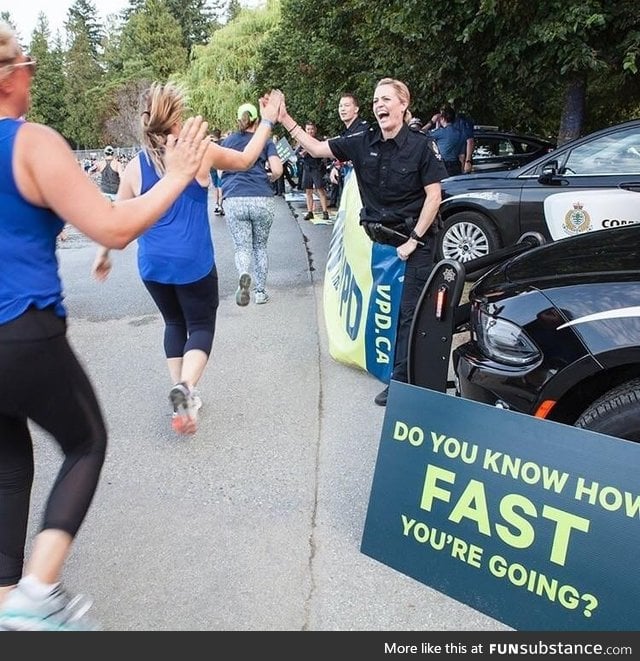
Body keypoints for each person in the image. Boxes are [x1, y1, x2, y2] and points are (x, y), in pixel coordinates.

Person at [0, 21, 210, 631]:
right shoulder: (30, 142)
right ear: (16, 76)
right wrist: (175, 175)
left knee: (9, 467)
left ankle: (9, 602)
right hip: (21, 330)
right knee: (86, 442)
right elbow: (113, 227)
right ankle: (37, 593)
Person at [92, 84, 282, 435]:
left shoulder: (135, 166)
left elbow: (117, 214)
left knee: (173, 325)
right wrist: (268, 120)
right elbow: (244, 160)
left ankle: (184, 399)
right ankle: (186, 388)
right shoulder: (200, 152)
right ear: (176, 120)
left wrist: (104, 254)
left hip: (152, 266)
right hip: (193, 263)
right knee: (200, 326)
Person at [278, 77, 447, 406]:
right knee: (381, 306)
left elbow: (434, 196)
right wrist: (285, 118)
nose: (379, 105)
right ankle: (382, 362)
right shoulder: (361, 139)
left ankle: (402, 384)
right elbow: (315, 148)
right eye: (375, 101)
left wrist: (414, 240)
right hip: (378, 243)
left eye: (386, 99)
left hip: (414, 244)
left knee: (409, 315)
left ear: (403, 104)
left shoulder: (421, 145)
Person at [221, 103, 283, 306]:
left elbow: (221, 171)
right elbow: (277, 169)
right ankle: (260, 292)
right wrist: (269, 178)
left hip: (235, 198)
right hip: (261, 197)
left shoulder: (228, 141)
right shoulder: (264, 141)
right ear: (257, 120)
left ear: (239, 119)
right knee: (260, 247)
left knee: (242, 246)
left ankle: (244, 276)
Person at [328, 93, 368, 207]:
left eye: (346, 105)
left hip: (362, 190)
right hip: (348, 183)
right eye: (340, 106)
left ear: (356, 109)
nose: (342, 109)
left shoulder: (362, 130)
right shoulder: (346, 132)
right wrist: (335, 166)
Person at [299, 121, 330, 221]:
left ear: (315, 130)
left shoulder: (319, 140)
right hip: (307, 167)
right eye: (308, 129)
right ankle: (310, 212)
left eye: (311, 129)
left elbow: (322, 153)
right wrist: (301, 154)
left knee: (320, 189)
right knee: (308, 191)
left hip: (317, 167)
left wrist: (309, 150)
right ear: (305, 130)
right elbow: (297, 154)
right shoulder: (302, 141)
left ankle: (325, 212)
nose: (310, 131)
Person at [427, 105, 465, 176]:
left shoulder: (440, 132)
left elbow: (419, 134)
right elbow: (462, 156)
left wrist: (431, 121)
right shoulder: (459, 133)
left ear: (443, 118)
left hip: (443, 166)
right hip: (456, 166)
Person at [209, 128, 225, 215]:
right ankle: (220, 205)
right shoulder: (222, 144)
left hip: (212, 168)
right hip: (220, 167)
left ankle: (216, 204)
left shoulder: (210, 144)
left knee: (216, 188)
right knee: (220, 187)